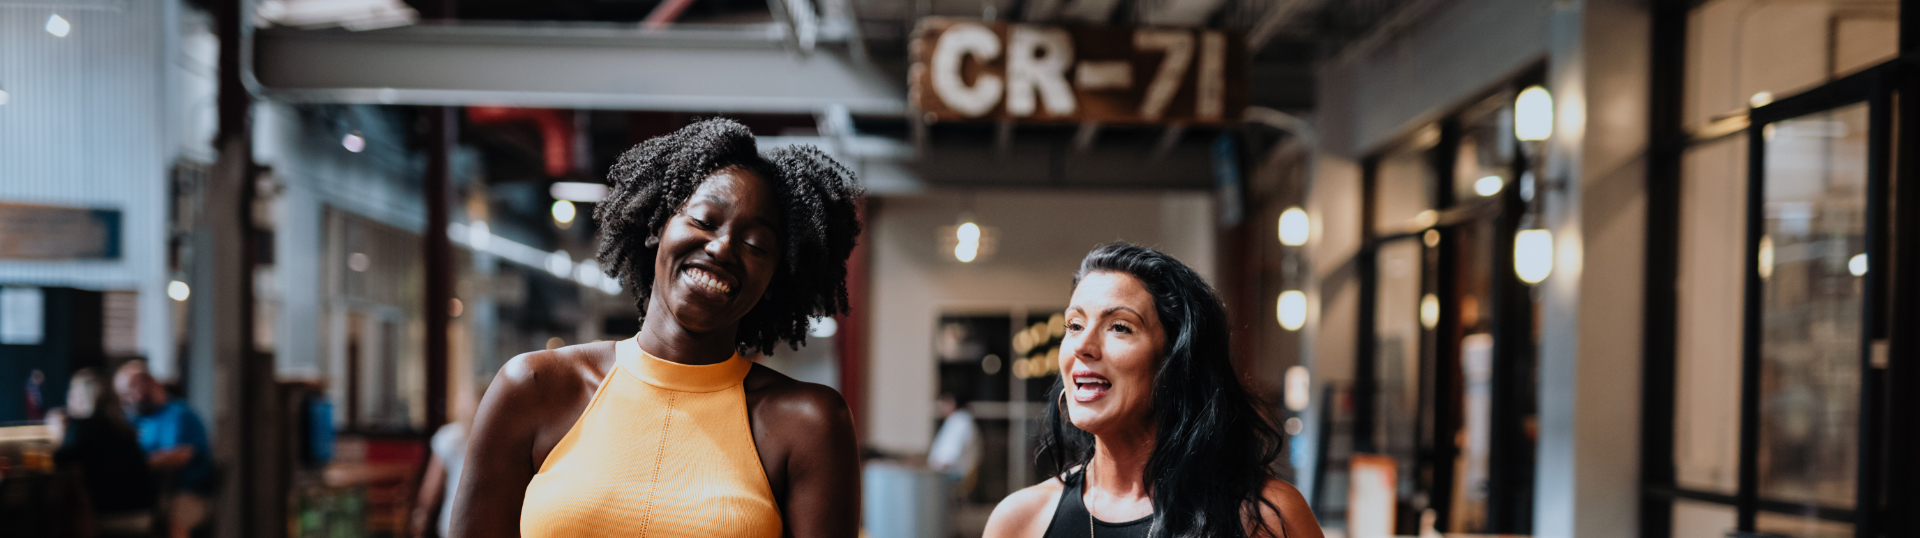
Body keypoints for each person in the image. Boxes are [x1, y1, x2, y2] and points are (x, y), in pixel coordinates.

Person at [451, 118, 865, 538]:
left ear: (777, 278)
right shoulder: (534, 389)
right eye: (704, 220)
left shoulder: (807, 424)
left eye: (756, 244)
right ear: (657, 227)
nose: (722, 247)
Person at [984, 243, 1323, 538]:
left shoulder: (1266, 519)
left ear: (1175, 362)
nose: (1082, 345)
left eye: (1119, 327)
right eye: (1074, 324)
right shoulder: (1020, 522)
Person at [49, 368, 158, 536]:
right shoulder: (123, 427)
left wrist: (58, 433)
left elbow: (56, 460)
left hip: (111, 516)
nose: (68, 399)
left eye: (72, 393)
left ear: (82, 398)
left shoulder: (84, 428)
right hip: (144, 513)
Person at [115, 359, 213, 538]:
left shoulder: (180, 415)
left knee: (173, 518)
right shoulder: (137, 420)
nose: (126, 399)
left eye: (129, 391)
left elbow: (182, 455)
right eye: (123, 394)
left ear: (150, 384)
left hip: (187, 494)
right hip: (149, 494)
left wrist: (139, 464)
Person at [412, 382, 482, 538]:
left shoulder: (447, 438)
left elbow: (431, 487)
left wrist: (421, 515)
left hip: (454, 520)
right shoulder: (494, 438)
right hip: (485, 520)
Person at [926, 391, 981, 489]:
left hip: (955, 472)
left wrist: (934, 467)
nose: (941, 406)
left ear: (952, 403)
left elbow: (951, 455)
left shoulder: (961, 422)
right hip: (945, 470)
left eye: (944, 402)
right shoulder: (954, 420)